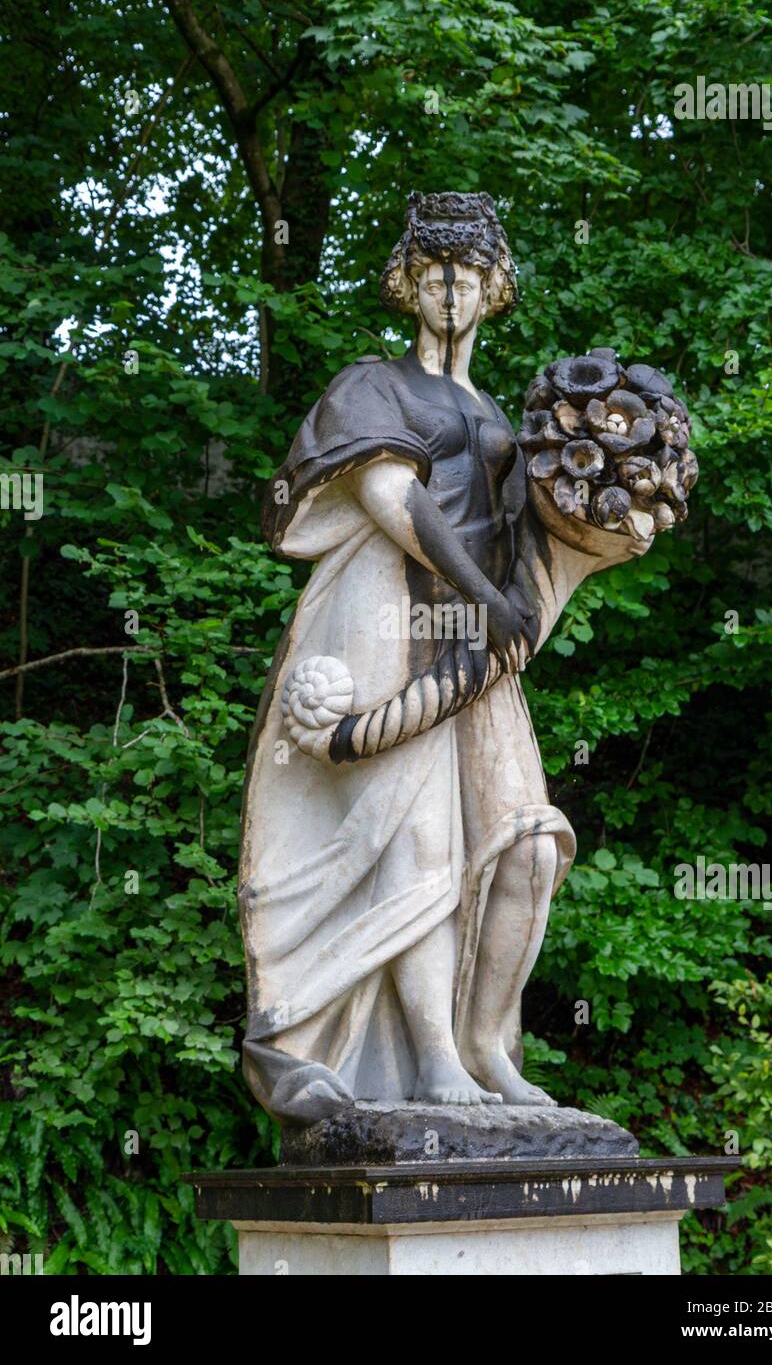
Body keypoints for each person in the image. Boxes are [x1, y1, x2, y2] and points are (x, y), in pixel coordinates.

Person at [240, 192, 632, 1126]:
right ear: (408, 286)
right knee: (419, 849)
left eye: (468, 277)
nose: (451, 293)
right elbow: (391, 496)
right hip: (390, 620)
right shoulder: (373, 384)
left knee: (526, 844)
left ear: (494, 289)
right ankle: (429, 1064)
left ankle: (487, 1046)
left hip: (479, 641)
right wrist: (493, 601)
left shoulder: (495, 410)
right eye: (433, 276)